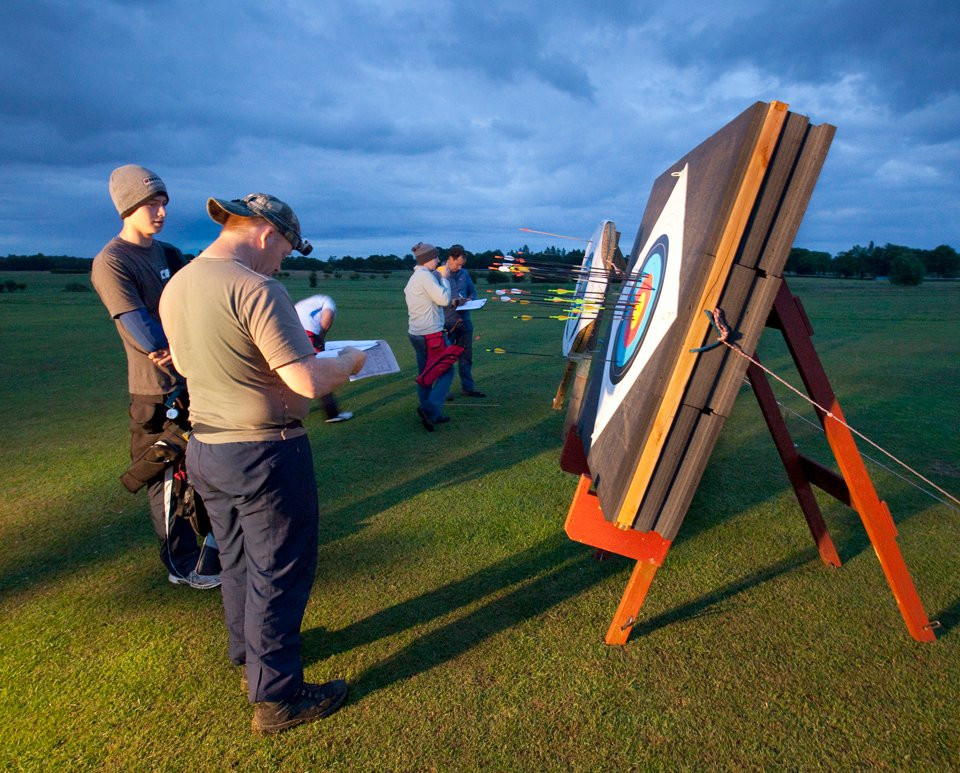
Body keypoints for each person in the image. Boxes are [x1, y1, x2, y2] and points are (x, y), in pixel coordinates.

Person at [159, 192, 366, 736]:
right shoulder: (257, 287)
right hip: (264, 452)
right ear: (265, 233)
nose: (283, 262)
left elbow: (182, 361)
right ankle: (277, 698)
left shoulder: (177, 283)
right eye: (287, 250)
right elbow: (307, 380)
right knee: (279, 570)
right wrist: (349, 361)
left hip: (206, 448)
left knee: (237, 560)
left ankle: (248, 652)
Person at [91, 164, 220, 591]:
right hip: (154, 389)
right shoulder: (112, 261)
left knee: (199, 469)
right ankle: (180, 563)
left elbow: (193, 302)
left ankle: (212, 547)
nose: (160, 210)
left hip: (189, 381)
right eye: (150, 203)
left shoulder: (167, 254)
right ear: (127, 207)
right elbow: (141, 329)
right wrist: (177, 348)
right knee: (165, 476)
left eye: (163, 202)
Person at [404, 242, 454, 431]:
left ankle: (432, 414)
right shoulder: (426, 277)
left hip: (416, 333)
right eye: (436, 257)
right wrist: (444, 279)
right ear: (428, 259)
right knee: (446, 371)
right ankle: (429, 408)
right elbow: (444, 300)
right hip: (431, 334)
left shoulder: (415, 278)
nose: (438, 260)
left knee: (425, 374)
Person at [294, 293, 353, 423]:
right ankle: (332, 414)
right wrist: (321, 336)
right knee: (321, 373)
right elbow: (328, 315)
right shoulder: (327, 301)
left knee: (295, 370)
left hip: (290, 333)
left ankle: (291, 408)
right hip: (308, 334)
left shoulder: (304, 304)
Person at [442, 245, 485, 398]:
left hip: (464, 321)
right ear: (449, 259)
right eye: (457, 264)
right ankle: (443, 390)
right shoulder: (439, 274)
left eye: (462, 264)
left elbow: (472, 291)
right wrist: (452, 302)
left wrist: (470, 299)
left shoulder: (464, 274)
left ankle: (468, 387)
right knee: (446, 358)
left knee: (466, 356)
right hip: (447, 322)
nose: (459, 267)